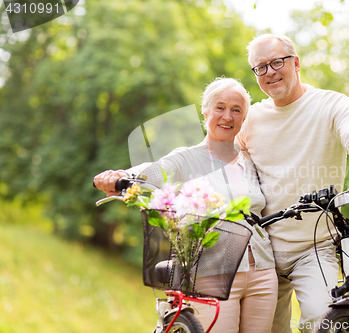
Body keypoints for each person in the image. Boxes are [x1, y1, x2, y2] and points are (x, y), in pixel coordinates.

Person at [235, 34, 349, 333]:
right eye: (260, 67)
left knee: (322, 321)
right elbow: (221, 159)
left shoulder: (331, 104)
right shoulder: (251, 119)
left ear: (296, 63)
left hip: (313, 247)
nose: (269, 72)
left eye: (276, 62)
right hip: (262, 248)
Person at [94, 78, 278, 333]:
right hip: (212, 273)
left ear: (244, 118)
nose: (227, 116)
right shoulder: (187, 158)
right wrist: (118, 177)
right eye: (220, 107)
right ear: (206, 111)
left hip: (263, 272)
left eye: (236, 110)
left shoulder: (249, 161)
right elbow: (152, 173)